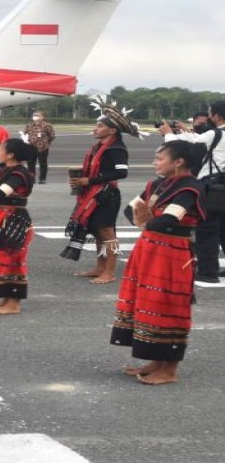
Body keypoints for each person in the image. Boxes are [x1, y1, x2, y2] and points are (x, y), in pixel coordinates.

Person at [111, 141, 208, 385]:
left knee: (168, 307)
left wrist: (146, 220)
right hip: (149, 249)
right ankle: (156, 361)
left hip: (173, 255)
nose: (155, 162)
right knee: (147, 304)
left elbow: (167, 220)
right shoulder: (157, 185)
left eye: (159, 158)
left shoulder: (190, 188)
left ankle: (170, 369)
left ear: (179, 162)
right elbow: (129, 211)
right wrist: (144, 221)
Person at [63, 103, 136, 285]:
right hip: (94, 194)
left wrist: (89, 181)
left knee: (107, 233)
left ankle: (109, 272)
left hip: (107, 195)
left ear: (112, 130)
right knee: (97, 232)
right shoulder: (99, 147)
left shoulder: (116, 148)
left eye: (100, 126)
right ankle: (100, 267)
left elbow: (122, 172)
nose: (95, 129)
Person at [161, 101, 225, 286]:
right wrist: (185, 132)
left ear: (217, 116)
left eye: (211, 114)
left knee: (207, 230)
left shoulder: (215, 133)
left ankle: (207, 272)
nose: (210, 117)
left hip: (213, 186)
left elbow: (190, 145)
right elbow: (199, 138)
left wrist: (169, 135)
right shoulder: (214, 134)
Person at [0, 138, 37, 315]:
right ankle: (5, 300)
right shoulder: (6, 170)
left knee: (12, 260)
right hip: (2, 216)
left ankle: (13, 304)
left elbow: (0, 193)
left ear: (10, 154)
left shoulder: (18, 174)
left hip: (14, 218)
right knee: (0, 258)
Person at [23, 110, 55, 183]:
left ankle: (42, 179)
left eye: (38, 115)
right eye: (34, 115)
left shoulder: (47, 126)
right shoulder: (29, 125)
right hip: (30, 147)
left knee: (43, 164)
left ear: (42, 117)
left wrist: (46, 143)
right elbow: (25, 134)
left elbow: (52, 136)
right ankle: (32, 178)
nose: (35, 117)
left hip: (42, 148)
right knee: (30, 164)